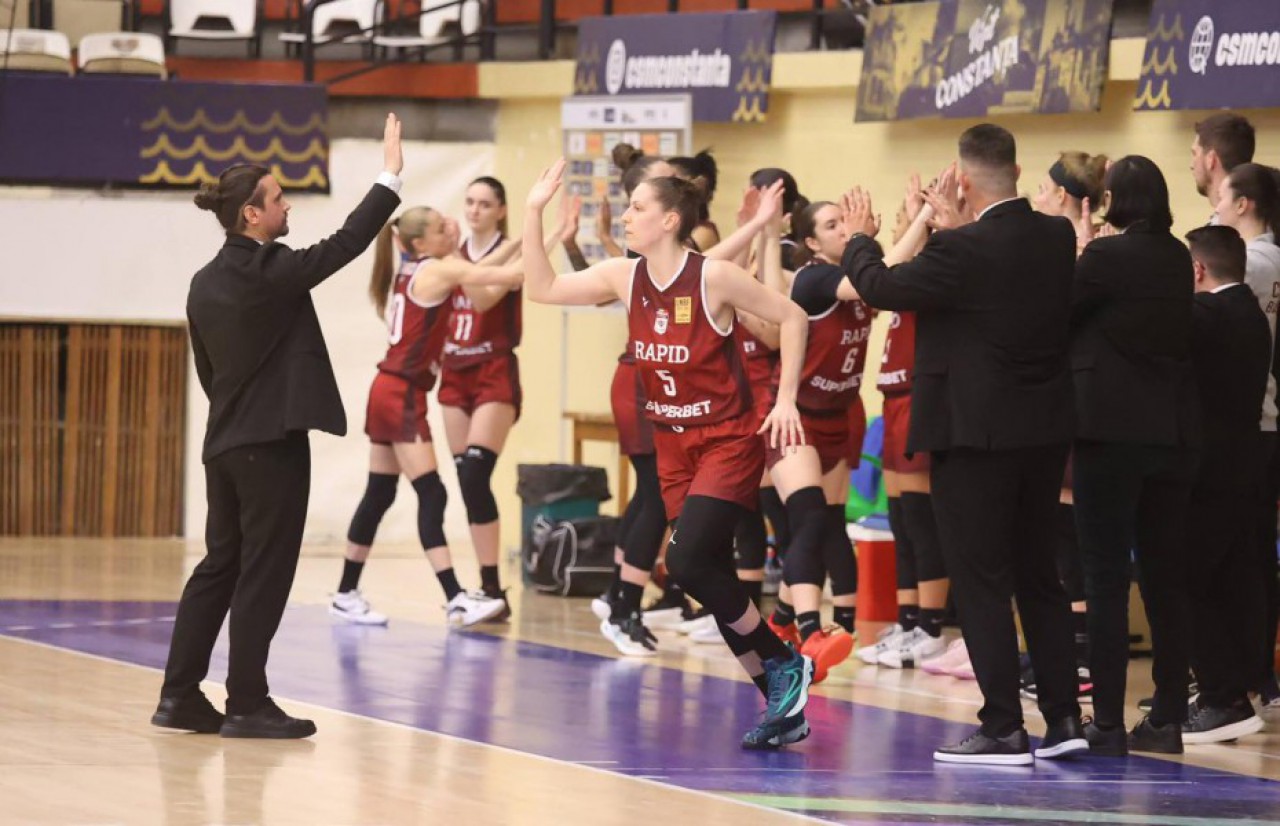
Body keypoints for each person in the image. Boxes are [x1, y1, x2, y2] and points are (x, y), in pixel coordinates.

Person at [523, 159, 816, 750]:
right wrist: (533, 211)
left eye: (637, 208)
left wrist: (785, 399)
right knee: (710, 574)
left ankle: (786, 659)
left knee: (684, 563)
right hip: (673, 444)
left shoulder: (714, 277)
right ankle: (781, 704)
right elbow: (542, 288)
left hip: (726, 438)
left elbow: (793, 315)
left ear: (670, 220)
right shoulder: (624, 276)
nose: (626, 217)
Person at [151, 114, 403, 739]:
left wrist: (240, 415)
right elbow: (345, 244)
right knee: (264, 572)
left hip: (224, 446)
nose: (287, 206)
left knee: (219, 567)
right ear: (251, 216)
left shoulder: (203, 282)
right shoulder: (270, 270)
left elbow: (208, 373)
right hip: (270, 447)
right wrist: (389, 179)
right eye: (278, 198)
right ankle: (247, 703)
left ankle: (179, 697)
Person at [841, 124, 1084, 765]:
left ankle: (1003, 726)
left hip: (974, 437)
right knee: (1039, 576)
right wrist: (956, 226)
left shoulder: (960, 249)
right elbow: (987, 282)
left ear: (964, 181)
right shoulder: (1056, 236)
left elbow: (880, 287)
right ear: (1016, 170)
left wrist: (861, 237)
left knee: (981, 581)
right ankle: (1064, 718)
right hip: (1042, 433)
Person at [332, 201, 524, 628]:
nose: (449, 229)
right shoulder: (436, 269)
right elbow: (501, 276)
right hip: (401, 392)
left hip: (389, 388)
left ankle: (345, 592)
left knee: (379, 493)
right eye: (440, 228)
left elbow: (481, 269)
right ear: (420, 243)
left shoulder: (416, 268)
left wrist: (524, 240)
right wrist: (540, 237)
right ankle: (456, 597)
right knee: (432, 493)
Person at [1070, 155, 1200, 756]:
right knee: (1166, 577)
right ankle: (1167, 717)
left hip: (1109, 433)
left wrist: (1081, 248)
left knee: (1104, 578)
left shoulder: (1104, 256)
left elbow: (1062, 314)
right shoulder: (1176, 255)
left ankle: (1106, 723)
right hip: (1171, 431)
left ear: (1113, 199)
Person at [762, 199, 872, 683]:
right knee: (806, 519)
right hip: (795, 415)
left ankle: (782, 621)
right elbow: (876, 280)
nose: (843, 229)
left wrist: (917, 221)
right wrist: (866, 240)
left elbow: (893, 279)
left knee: (827, 524)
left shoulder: (862, 273)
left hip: (837, 416)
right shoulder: (814, 279)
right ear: (811, 242)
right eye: (832, 225)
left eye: (846, 221)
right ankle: (810, 630)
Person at [858, 178, 951, 673]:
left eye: (904, 220)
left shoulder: (927, 274)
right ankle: (909, 619)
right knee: (900, 520)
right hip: (893, 401)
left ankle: (931, 627)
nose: (897, 226)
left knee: (921, 519)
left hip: (918, 400)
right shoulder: (900, 277)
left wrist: (922, 217)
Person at [1183, 225, 1271, 744]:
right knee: (1234, 580)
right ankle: (1236, 688)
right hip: (1243, 462)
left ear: (1197, 270)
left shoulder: (1210, 313)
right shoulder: (1250, 312)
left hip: (1208, 469)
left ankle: (1223, 697)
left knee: (1187, 580)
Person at [1212, 162, 1280, 707]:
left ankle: (1238, 675)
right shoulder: (1274, 257)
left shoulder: (1251, 262)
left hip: (1246, 419)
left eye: (1221, 198)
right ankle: (1257, 674)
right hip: (1266, 418)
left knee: (1235, 554)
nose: (1215, 207)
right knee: (1255, 553)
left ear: (1243, 205)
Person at [438, 176, 524, 610]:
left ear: (501, 210)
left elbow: (484, 299)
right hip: (454, 372)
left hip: (493, 369)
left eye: (485, 204)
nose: (474, 210)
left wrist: (453, 260)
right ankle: (486, 586)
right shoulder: (451, 254)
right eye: (469, 202)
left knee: (475, 473)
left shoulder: (513, 252)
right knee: (466, 481)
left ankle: (493, 587)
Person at [1190, 112, 1255, 218]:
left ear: (1211, 159)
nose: (1191, 165)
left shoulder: (1226, 224)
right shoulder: (1259, 219)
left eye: (1195, 154)